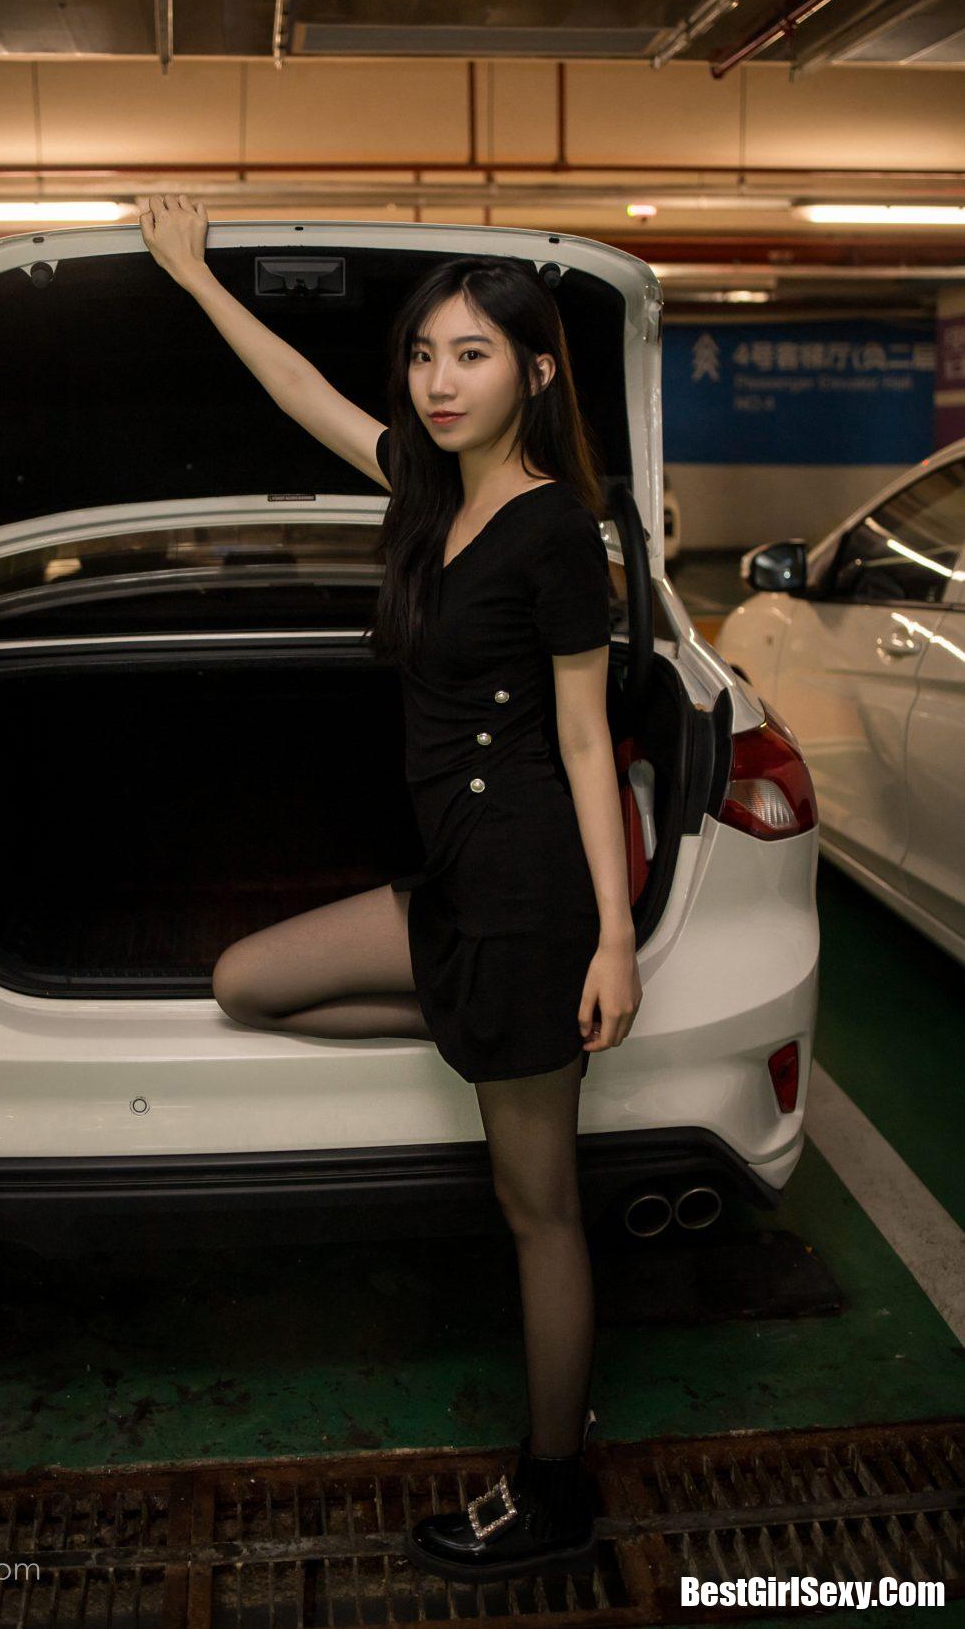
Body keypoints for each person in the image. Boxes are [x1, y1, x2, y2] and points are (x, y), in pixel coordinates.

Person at [139, 195, 643, 1585]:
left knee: (538, 1211)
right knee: (249, 980)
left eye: (471, 354)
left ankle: (554, 1491)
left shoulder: (556, 533)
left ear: (536, 371)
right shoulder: (429, 491)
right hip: (457, 886)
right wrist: (193, 278)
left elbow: (588, 740)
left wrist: (612, 940)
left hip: (533, 894)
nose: (438, 379)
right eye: (424, 353)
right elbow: (302, 392)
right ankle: (487, 1022)